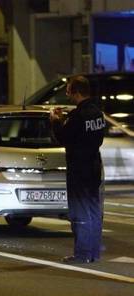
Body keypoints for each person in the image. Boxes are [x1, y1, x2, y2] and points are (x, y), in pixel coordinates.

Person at [50, 75, 105, 264]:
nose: (67, 94)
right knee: (93, 209)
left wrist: (56, 121)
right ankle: (93, 252)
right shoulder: (97, 113)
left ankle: (81, 254)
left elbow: (64, 138)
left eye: (68, 91)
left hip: (79, 168)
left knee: (79, 212)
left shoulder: (78, 116)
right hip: (94, 166)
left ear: (76, 92)